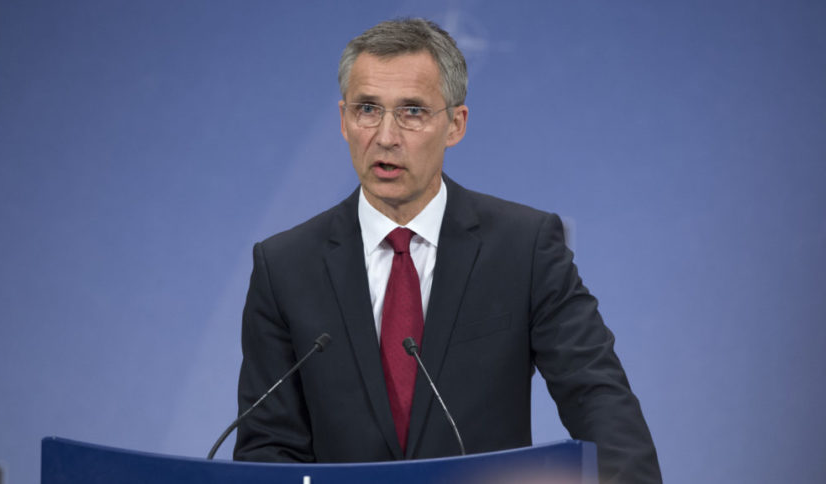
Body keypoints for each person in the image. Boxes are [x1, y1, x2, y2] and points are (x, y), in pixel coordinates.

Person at [234, 18, 662, 484]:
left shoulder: (525, 248)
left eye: (412, 111)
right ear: (343, 120)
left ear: (455, 125)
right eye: (368, 109)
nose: (386, 136)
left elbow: (599, 400)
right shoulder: (285, 267)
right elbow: (267, 447)